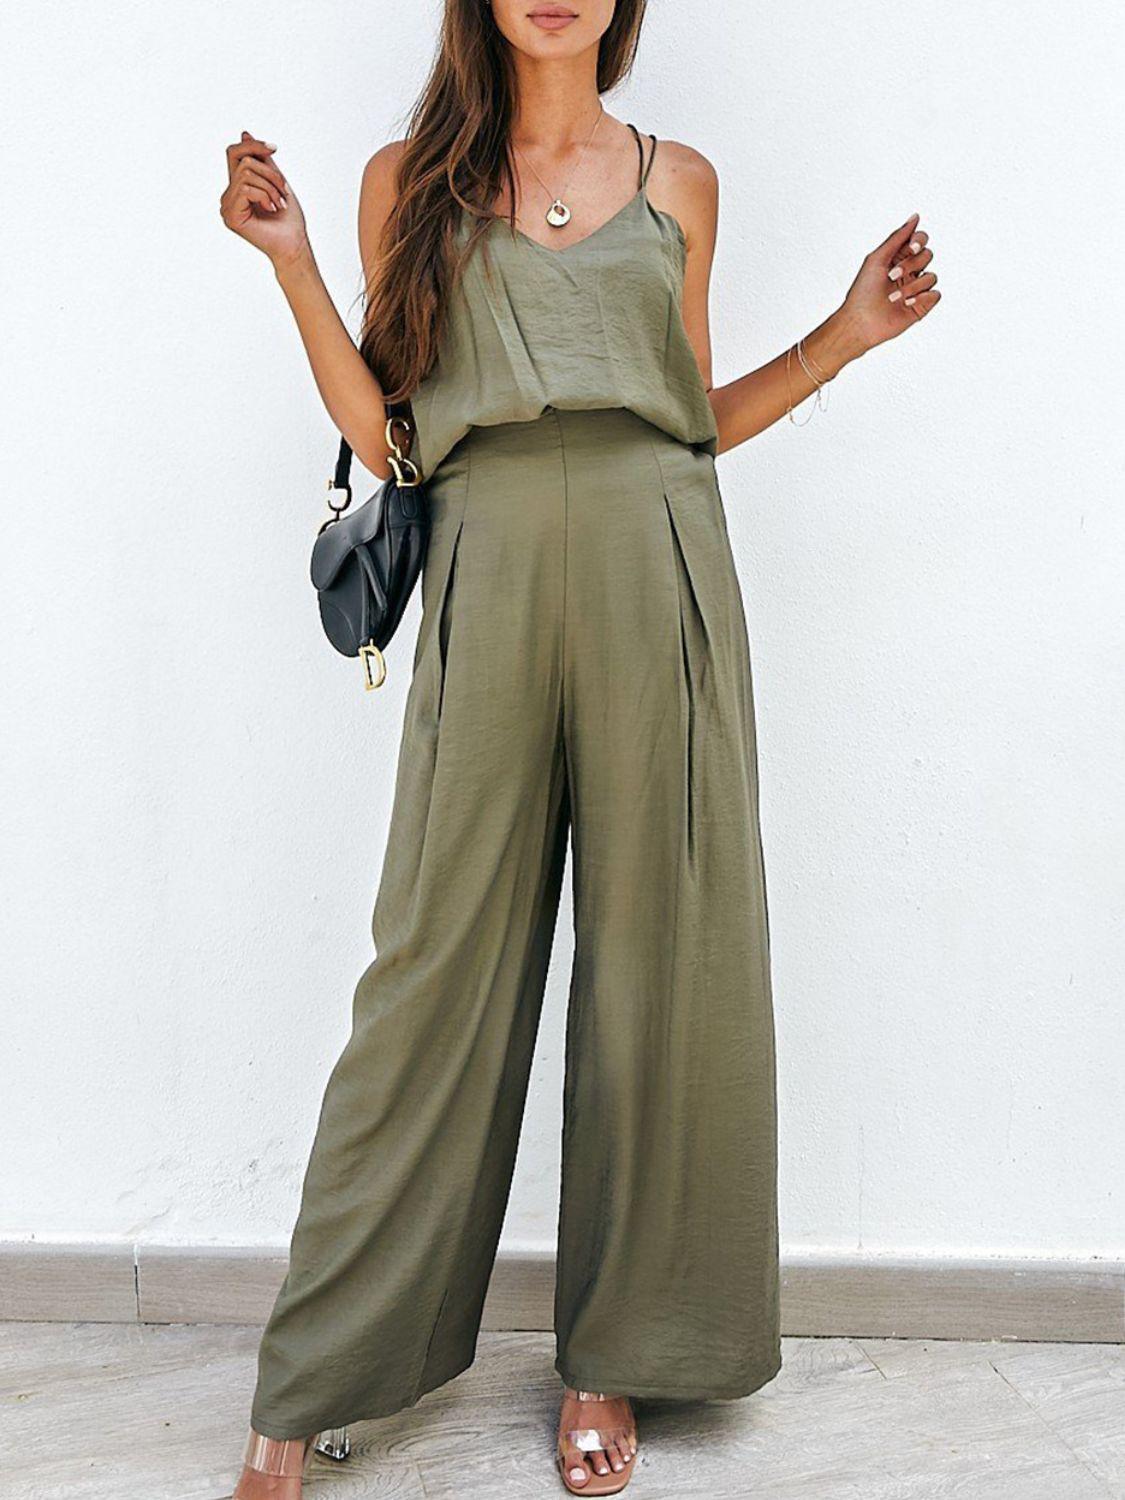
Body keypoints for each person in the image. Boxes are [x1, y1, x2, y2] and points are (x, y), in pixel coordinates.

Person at [219, 2, 939, 1493]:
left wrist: (847, 337)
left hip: (656, 559)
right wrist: (290, 264)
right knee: (431, 966)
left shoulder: (679, 182)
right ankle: (313, 1379)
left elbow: (689, 417)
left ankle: (614, 1358)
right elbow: (392, 434)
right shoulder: (407, 181)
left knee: (663, 961)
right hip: (483, 563)